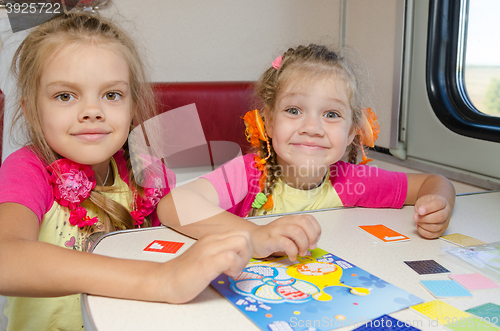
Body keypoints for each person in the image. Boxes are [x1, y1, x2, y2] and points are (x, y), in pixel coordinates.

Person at [0, 12, 258, 331]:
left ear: (132, 105)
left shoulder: (143, 167)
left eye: (112, 95)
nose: (92, 112)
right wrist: (161, 279)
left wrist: (254, 235)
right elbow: (6, 259)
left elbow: (175, 209)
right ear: (31, 110)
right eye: (65, 95)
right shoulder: (28, 169)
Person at [162, 44, 455, 244]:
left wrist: (438, 206)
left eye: (331, 114)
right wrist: (256, 235)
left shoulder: (353, 180)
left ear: (353, 131)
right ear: (269, 122)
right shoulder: (248, 174)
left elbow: (433, 181)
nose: (312, 128)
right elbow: (173, 205)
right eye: (293, 111)